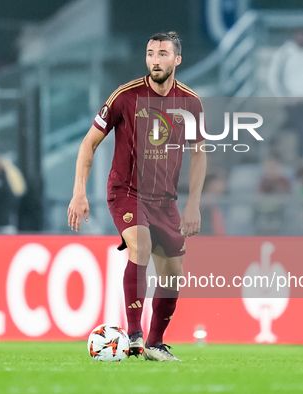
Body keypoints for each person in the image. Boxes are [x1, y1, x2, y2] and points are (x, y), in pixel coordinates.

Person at [67, 31, 206, 362]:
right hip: (126, 191)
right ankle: (133, 335)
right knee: (140, 245)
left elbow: (199, 154)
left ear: (177, 60)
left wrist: (193, 204)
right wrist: (79, 192)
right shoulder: (124, 96)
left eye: (162, 54)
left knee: (172, 272)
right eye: (150, 54)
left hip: (165, 200)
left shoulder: (191, 103)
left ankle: (155, 344)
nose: (155, 60)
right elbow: (89, 143)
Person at [268, 28, 303, 157]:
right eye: (301, 35)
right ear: (294, 36)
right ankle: (302, 159)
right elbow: (274, 78)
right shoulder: (285, 53)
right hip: (294, 103)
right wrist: (286, 98)